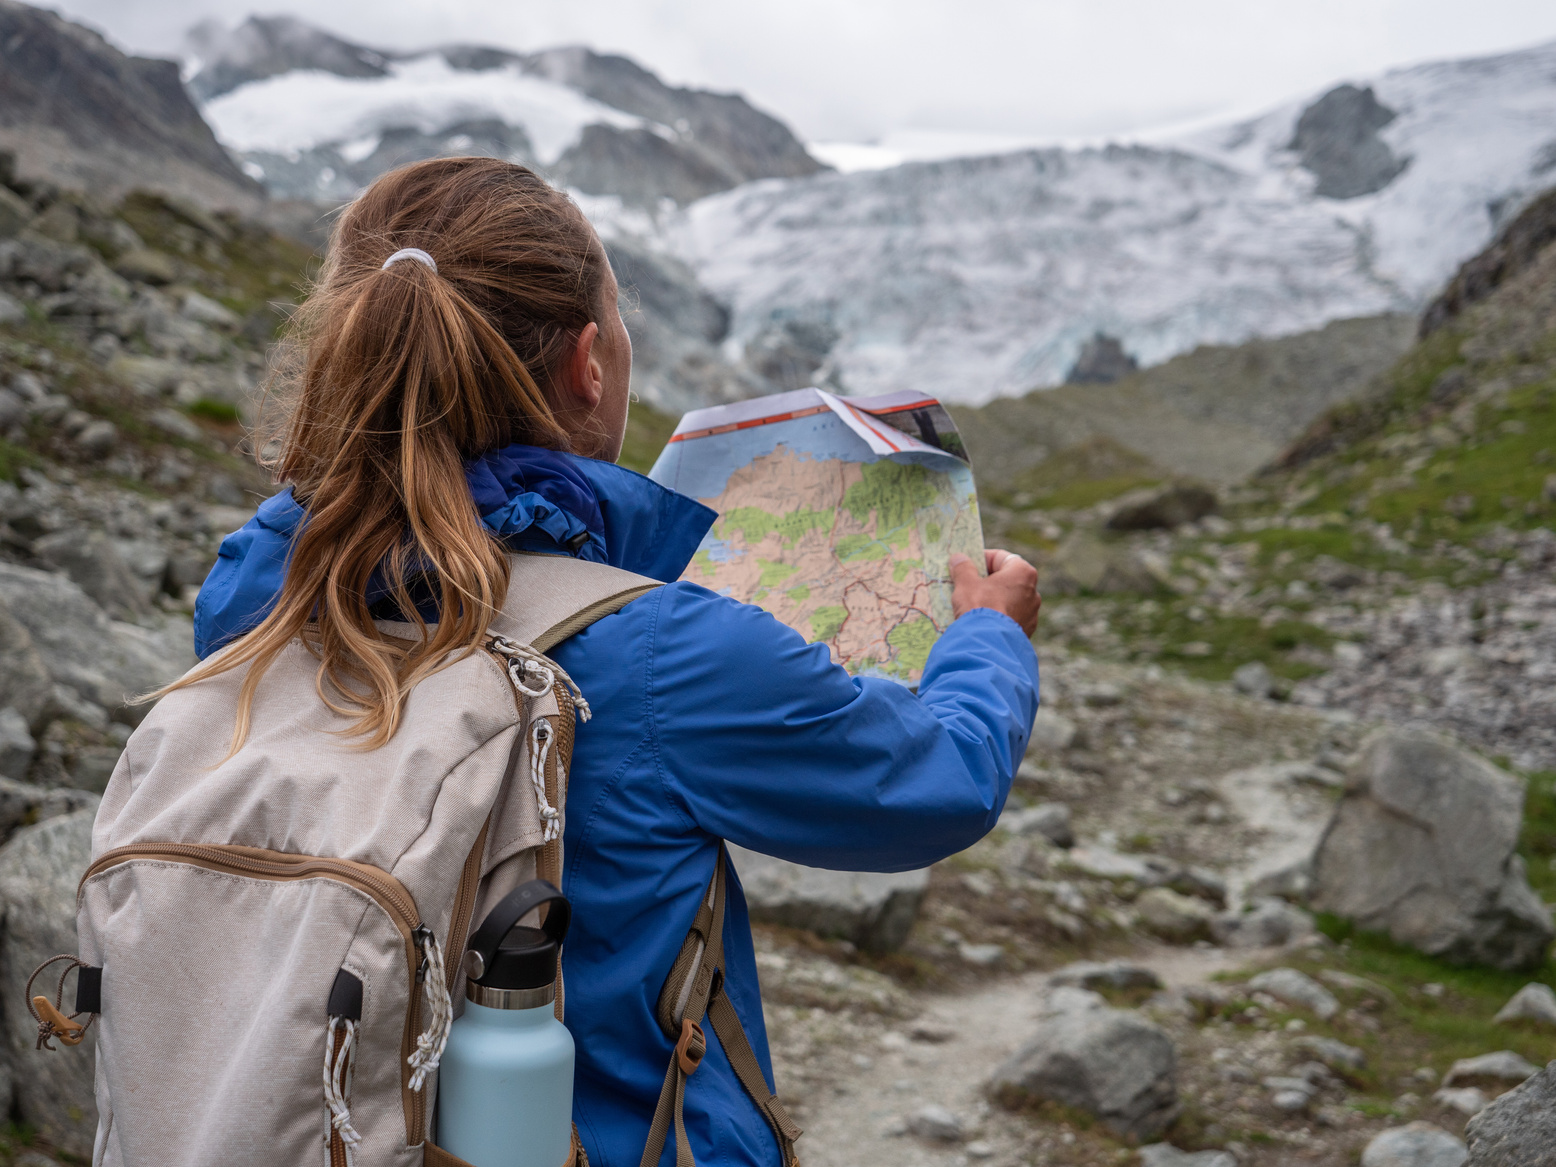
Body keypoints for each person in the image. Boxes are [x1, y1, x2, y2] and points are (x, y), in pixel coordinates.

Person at [190, 157, 1040, 1167]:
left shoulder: (253, 598)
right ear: (589, 363)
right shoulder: (663, 651)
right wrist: (987, 634)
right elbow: (934, 783)